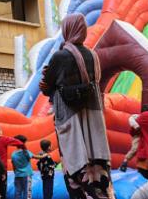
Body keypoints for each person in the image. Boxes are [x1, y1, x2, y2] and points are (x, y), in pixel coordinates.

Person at [40, 13, 112, 199]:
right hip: (94, 122)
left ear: (67, 30)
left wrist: (48, 82)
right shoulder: (93, 56)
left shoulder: (60, 57)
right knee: (99, 172)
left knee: (76, 172)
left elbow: (47, 87)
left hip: (70, 120)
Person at [0, 124, 24, 199]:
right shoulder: (3, 139)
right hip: (2, 169)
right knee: (2, 189)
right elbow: (19, 142)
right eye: (0, 129)